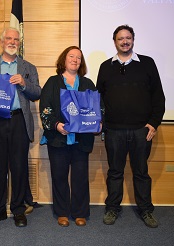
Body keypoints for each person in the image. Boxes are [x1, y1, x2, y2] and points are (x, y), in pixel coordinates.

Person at [96, 25, 165, 228]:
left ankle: (146, 211)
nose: (124, 41)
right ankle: (112, 208)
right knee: (115, 172)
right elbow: (98, 98)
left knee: (141, 172)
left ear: (133, 40)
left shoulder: (147, 63)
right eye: (120, 38)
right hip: (113, 130)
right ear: (114, 41)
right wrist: (100, 122)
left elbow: (158, 96)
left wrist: (154, 123)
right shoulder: (105, 67)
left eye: (128, 38)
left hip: (140, 131)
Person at [0, 27, 41, 227]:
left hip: (19, 121)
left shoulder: (28, 67)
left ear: (19, 43)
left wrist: (23, 83)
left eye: (16, 39)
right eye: (9, 39)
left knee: (19, 167)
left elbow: (37, 92)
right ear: (2, 42)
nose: (12, 42)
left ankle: (18, 210)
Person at [39, 46, 100, 227]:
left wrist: (99, 122)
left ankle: (80, 213)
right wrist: (57, 125)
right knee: (59, 176)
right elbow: (45, 109)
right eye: (71, 56)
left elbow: (97, 108)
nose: (75, 60)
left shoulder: (88, 84)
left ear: (81, 62)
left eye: (78, 58)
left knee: (80, 177)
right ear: (64, 60)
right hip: (58, 139)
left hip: (81, 140)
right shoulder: (52, 82)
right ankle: (62, 212)